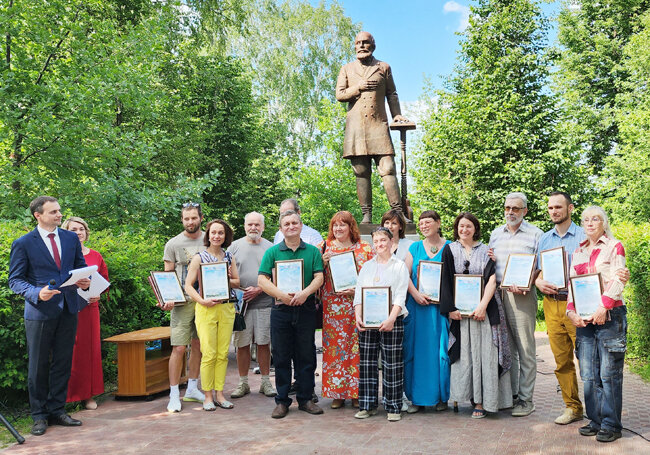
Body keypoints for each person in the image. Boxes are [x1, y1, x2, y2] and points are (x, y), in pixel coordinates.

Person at [8, 196, 90, 436]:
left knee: (63, 362)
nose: (59, 215)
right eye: (53, 211)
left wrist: (84, 282)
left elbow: (79, 267)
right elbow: (15, 280)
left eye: (60, 210)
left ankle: (57, 410)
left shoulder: (70, 238)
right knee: (38, 365)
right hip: (39, 311)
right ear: (38, 215)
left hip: (68, 307)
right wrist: (36, 292)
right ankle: (39, 416)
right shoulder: (23, 243)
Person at [440, 213, 512, 418]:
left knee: (486, 356)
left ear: (475, 228)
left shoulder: (486, 250)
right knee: (466, 356)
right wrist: (450, 309)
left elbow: (492, 280)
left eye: (468, 226)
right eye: (461, 226)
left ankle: (483, 402)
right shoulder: (450, 249)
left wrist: (482, 306)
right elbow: (444, 279)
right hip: (460, 315)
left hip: (485, 312)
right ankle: (468, 398)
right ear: (457, 228)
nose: (464, 230)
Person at [566, 206, 628, 443]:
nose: (590, 223)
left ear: (604, 222)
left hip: (610, 315)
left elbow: (618, 279)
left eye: (595, 219)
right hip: (584, 318)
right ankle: (596, 420)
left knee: (609, 374)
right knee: (589, 374)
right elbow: (574, 284)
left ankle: (612, 425)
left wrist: (603, 306)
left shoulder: (615, 246)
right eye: (586, 220)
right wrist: (571, 311)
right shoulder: (578, 251)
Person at [336, 31, 410, 223]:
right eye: (358, 43)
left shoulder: (383, 67)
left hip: (378, 125)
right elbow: (340, 94)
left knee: (388, 168)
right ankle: (366, 216)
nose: (361, 46)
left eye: (366, 42)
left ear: (373, 45)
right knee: (360, 171)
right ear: (354, 46)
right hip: (356, 128)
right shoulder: (347, 69)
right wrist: (358, 88)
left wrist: (397, 115)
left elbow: (391, 93)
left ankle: (398, 213)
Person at [258, 210, 325, 418]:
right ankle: (282, 400)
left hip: (305, 308)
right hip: (281, 310)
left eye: (294, 223)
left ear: (301, 225)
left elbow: (319, 277)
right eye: (286, 224)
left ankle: (305, 398)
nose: (290, 226)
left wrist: (305, 293)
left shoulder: (313, 251)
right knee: (281, 355)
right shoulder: (272, 252)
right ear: (280, 229)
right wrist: (282, 296)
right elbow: (262, 280)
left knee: (306, 355)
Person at [488, 192, 542, 417]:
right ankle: (510, 396)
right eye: (507, 207)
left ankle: (526, 400)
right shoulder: (495, 234)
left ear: (525, 211)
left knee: (526, 350)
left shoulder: (536, 234)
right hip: (498, 294)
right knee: (506, 348)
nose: (510, 212)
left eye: (516, 208)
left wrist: (528, 283)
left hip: (521, 296)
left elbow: (541, 266)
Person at [353, 227, 409, 421]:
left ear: (391, 242)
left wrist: (391, 318)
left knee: (392, 364)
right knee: (367, 363)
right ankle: (367, 405)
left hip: (393, 320)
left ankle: (393, 407)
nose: (379, 245)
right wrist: (358, 316)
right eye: (376, 242)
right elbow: (358, 294)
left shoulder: (399, 266)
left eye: (383, 241)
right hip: (368, 322)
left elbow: (401, 295)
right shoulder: (367, 266)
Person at [318, 211, 374, 409]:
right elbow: (313, 275)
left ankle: (356, 392)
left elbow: (374, 275)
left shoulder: (365, 248)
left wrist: (358, 289)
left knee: (357, 350)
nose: (338, 229)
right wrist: (321, 262)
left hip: (357, 306)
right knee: (335, 350)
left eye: (343, 225)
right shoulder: (324, 247)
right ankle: (337, 393)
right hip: (333, 309)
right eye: (335, 225)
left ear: (351, 227)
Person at [185, 219, 239, 411]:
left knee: (223, 353)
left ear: (226, 236)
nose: (217, 236)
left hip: (226, 307)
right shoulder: (199, 258)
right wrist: (201, 301)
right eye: (213, 232)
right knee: (208, 353)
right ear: (208, 235)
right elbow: (188, 285)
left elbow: (237, 281)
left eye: (221, 233)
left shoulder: (229, 256)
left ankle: (220, 393)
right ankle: (207, 395)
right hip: (206, 307)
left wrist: (224, 275)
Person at [402, 211, 451, 414]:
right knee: (415, 351)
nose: (423, 225)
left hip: (440, 310)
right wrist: (415, 295)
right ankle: (416, 398)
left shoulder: (450, 247)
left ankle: (441, 397)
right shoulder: (414, 248)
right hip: (417, 307)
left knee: (440, 352)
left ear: (438, 223)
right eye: (421, 223)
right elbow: (403, 276)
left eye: (428, 222)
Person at [162, 202, 206, 412]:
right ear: (182, 220)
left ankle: (192, 388)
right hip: (182, 302)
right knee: (179, 347)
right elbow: (167, 275)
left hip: (205, 302)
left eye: (194, 218)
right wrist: (167, 298)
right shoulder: (173, 244)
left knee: (198, 346)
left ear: (201, 218)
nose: (190, 222)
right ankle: (173, 395)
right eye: (186, 218)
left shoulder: (210, 239)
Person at [228, 212, 277, 399]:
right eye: (250, 224)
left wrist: (259, 289)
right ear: (244, 225)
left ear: (263, 227)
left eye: (257, 224)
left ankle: (266, 382)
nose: (253, 228)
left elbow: (275, 275)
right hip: (242, 306)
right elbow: (228, 275)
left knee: (264, 343)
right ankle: (243, 383)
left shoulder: (271, 248)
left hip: (265, 302)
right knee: (242, 344)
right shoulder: (234, 247)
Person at [62, 217, 108, 410]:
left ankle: (88, 395)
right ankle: (68, 396)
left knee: (89, 352)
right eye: (73, 229)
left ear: (86, 232)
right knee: (70, 351)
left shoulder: (96, 255)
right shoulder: (63, 255)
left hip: (90, 309)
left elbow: (104, 280)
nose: (78, 232)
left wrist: (98, 293)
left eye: (81, 229)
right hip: (68, 308)